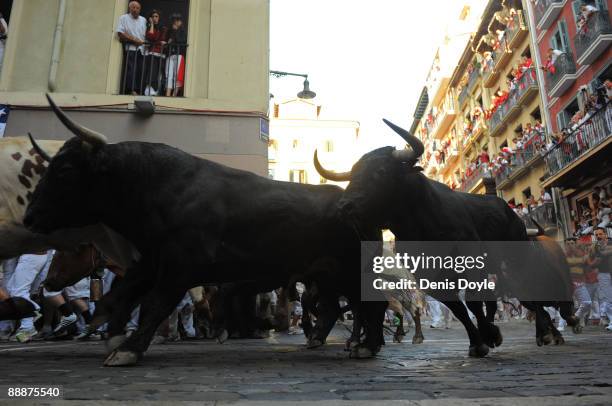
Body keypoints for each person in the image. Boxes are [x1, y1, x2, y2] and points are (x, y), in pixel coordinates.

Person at [117, 1, 147, 95]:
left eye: (137, 8)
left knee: (141, 70)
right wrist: (134, 40)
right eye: (133, 7)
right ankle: (132, 90)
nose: (135, 10)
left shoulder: (143, 19)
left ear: (140, 9)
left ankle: (139, 90)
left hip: (142, 50)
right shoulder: (123, 18)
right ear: (129, 8)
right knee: (131, 70)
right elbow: (120, 33)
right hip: (131, 48)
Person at [591, 227, 612, 331]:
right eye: (597, 235)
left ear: (605, 234)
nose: (599, 236)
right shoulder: (595, 246)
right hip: (603, 274)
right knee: (607, 298)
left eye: (600, 234)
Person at [144, 9, 167, 96]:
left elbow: (163, 39)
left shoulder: (164, 28)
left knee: (160, 74)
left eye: (156, 16)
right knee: (152, 72)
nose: (154, 18)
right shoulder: (150, 27)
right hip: (153, 53)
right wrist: (152, 25)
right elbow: (151, 37)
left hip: (161, 54)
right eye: (153, 17)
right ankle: (150, 90)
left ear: (159, 18)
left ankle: (157, 91)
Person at [165, 13, 187, 97]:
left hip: (179, 55)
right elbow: (168, 41)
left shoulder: (183, 31)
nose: (175, 22)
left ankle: (174, 95)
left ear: (181, 22)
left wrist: (175, 31)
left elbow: (181, 41)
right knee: (168, 75)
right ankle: (167, 94)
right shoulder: (170, 31)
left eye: (177, 20)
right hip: (170, 55)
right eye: (174, 20)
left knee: (177, 75)